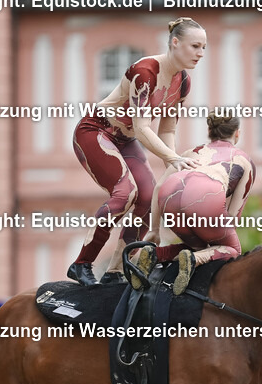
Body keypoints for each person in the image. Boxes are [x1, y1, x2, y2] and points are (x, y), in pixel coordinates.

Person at [67, 17, 207, 285]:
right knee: (125, 193)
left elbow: (167, 130)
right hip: (96, 132)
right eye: (195, 46)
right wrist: (172, 157)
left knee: (146, 196)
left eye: (204, 48)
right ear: (175, 43)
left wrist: (172, 166)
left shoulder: (183, 82)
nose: (200, 54)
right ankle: (82, 263)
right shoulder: (146, 72)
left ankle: (116, 271)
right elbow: (143, 128)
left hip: (126, 140)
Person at [140, 112, 256, 294]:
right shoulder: (244, 161)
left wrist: (154, 230)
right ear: (237, 134)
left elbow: (158, 187)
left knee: (200, 247)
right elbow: (232, 217)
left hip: (169, 196)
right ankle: (194, 260)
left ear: (209, 130)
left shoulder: (190, 153)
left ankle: (157, 255)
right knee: (231, 249)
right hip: (204, 196)